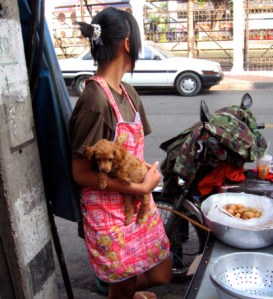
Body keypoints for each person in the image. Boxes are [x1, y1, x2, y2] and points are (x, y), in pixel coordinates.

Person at [69, 7, 172, 299]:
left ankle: (121, 290)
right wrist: (139, 186)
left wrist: (146, 177)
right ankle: (120, 291)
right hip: (109, 212)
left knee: (162, 273)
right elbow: (80, 173)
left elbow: (134, 150)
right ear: (128, 43)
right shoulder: (94, 101)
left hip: (138, 198)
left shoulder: (127, 92)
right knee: (123, 282)